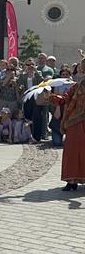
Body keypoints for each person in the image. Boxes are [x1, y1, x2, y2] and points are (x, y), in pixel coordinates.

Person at [50, 58, 85, 191]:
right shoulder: (77, 85)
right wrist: (52, 96)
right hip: (75, 122)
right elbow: (65, 97)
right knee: (72, 150)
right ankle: (72, 180)